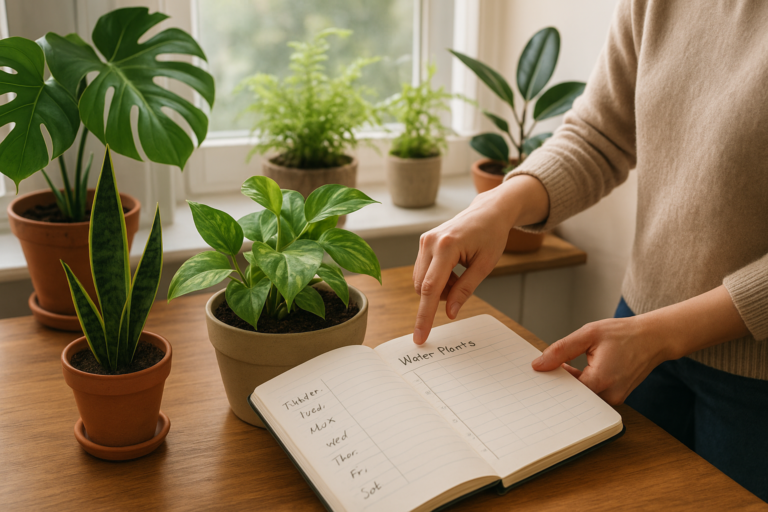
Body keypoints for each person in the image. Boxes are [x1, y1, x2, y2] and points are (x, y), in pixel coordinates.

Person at [411, 0, 768, 501]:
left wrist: (660, 334)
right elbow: (601, 134)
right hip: (636, 333)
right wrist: (501, 202)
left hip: (752, 384)